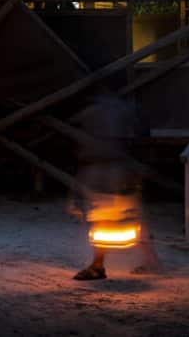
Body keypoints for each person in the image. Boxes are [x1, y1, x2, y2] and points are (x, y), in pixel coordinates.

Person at [69, 92, 161, 281]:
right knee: (129, 214)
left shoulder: (95, 111)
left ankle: (97, 266)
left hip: (108, 169)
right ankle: (152, 262)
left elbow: (86, 143)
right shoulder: (127, 109)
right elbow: (141, 137)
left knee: (104, 217)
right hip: (119, 167)